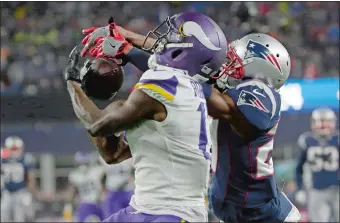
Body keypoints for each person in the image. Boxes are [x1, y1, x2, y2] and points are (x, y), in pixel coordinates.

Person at [81, 19, 301, 222]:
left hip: (265, 214)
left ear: (261, 68)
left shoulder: (261, 93)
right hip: (238, 210)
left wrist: (133, 45)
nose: (226, 63)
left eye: (235, 59)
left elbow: (182, 77)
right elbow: (180, 75)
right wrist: (128, 46)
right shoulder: (226, 92)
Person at [66, 12, 228, 222]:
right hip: (143, 208)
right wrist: (127, 45)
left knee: (118, 108)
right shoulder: (186, 87)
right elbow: (112, 153)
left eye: (173, 38)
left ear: (184, 50)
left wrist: (73, 83)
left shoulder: (165, 84)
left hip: (171, 214)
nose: (163, 42)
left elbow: (97, 125)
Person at [295, 108, 339, 222]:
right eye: (320, 121)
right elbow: (298, 168)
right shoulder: (307, 140)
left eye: (326, 121)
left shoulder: (337, 139)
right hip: (316, 189)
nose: (323, 125)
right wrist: (300, 189)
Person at [1, 136, 37, 222]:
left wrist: (30, 192)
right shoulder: (3, 159)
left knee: (20, 217)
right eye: (12, 149)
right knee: (3, 215)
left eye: (16, 149)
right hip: (6, 193)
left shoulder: (25, 159)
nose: (14, 151)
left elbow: (30, 177)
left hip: (20, 192)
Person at [68, 152, 106, 222]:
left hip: (85, 205)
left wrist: (69, 204)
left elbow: (72, 193)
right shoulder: (97, 171)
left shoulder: (75, 175)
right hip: (98, 204)